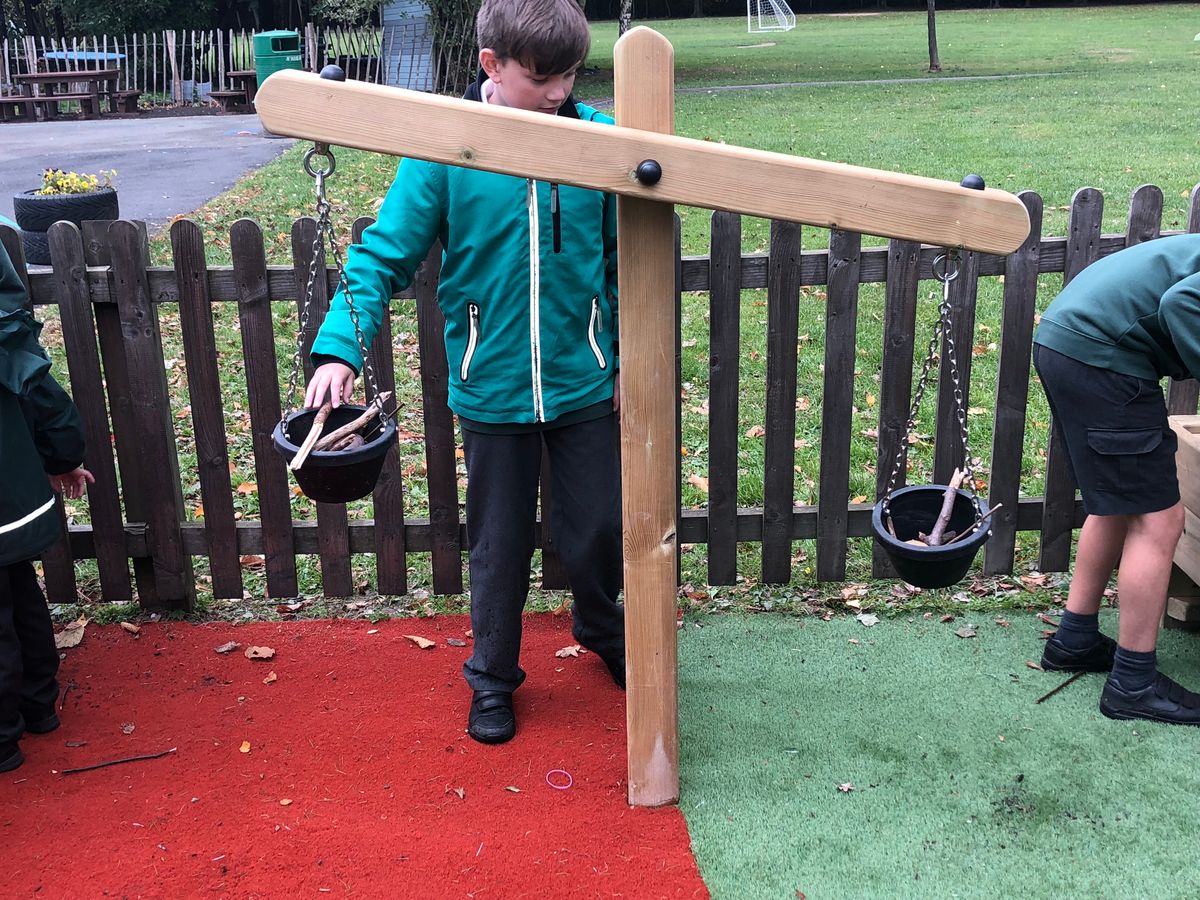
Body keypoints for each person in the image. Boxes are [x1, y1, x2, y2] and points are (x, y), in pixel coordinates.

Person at [304, 0, 624, 744]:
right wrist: (338, 350)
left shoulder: (601, 146)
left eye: (570, 74)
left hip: (584, 382)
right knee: (499, 546)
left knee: (597, 531)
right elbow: (381, 255)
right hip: (492, 387)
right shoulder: (445, 151)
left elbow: (625, 262)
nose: (558, 91)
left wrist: (624, 354)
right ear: (491, 65)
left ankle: (604, 631)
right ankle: (491, 676)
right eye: (541, 76)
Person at [1033, 232, 1200, 725]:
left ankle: (1074, 640)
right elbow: (1183, 302)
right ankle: (1133, 684)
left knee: (1115, 504)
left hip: (1066, 340)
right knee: (1160, 520)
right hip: (1101, 354)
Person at [0, 242, 94, 772]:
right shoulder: (7, 336)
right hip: (13, 500)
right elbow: (42, 395)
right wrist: (63, 457)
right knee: (20, 594)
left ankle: (3, 739)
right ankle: (38, 708)